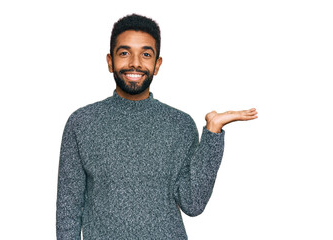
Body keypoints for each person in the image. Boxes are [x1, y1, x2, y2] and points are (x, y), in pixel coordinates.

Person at [56, 14, 258, 240]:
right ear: (110, 61)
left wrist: (213, 133)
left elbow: (193, 204)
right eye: (124, 53)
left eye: (145, 54)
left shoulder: (180, 125)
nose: (135, 62)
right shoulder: (82, 122)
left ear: (157, 64)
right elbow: (68, 210)